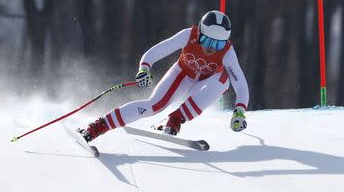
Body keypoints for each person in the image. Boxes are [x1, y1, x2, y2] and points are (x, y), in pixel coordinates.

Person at [79, 10, 249, 142]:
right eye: (207, 41)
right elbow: (157, 51)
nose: (211, 47)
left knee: (223, 80)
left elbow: (240, 84)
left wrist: (240, 111)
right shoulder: (188, 35)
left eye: (218, 43)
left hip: (204, 85)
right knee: (153, 106)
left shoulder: (227, 52)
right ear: (199, 34)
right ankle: (99, 126)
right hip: (181, 76)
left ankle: (175, 119)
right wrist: (144, 68)